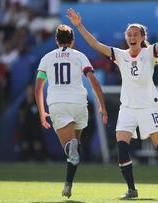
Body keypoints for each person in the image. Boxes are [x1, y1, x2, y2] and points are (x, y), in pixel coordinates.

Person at [67, 7, 158, 199]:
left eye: (135, 34)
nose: (131, 37)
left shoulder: (149, 53)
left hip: (148, 108)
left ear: (142, 36)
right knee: (121, 146)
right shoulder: (120, 55)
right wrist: (79, 25)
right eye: (129, 34)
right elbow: (95, 44)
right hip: (127, 109)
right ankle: (131, 190)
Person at [35, 24, 108, 198]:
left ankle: (70, 146)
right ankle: (68, 185)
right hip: (79, 104)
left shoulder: (47, 58)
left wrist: (41, 112)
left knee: (69, 149)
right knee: (74, 153)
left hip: (58, 104)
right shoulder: (80, 56)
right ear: (73, 41)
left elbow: (38, 88)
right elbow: (94, 81)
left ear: (56, 41)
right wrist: (102, 107)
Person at [19, 83, 46, 161]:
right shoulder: (23, 104)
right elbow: (21, 116)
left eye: (31, 90)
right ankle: (25, 161)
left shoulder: (37, 103)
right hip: (26, 126)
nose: (29, 91)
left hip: (36, 127)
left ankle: (38, 161)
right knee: (25, 144)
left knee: (37, 144)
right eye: (28, 90)